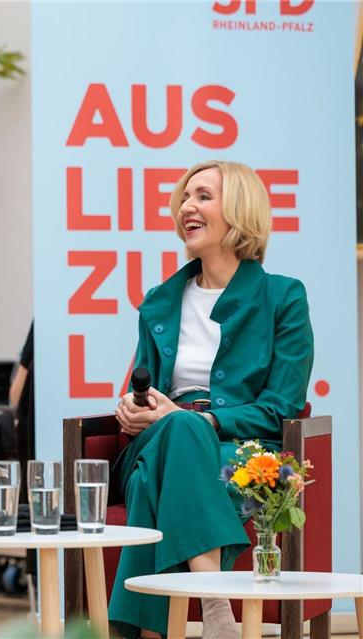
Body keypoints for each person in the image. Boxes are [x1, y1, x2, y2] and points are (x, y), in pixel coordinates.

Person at [107, 160, 314, 639]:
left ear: (238, 212)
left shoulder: (283, 297)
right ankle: (215, 606)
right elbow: (146, 387)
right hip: (159, 438)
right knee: (177, 430)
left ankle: (140, 630)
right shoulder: (162, 298)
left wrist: (197, 419)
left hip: (242, 451)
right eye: (184, 197)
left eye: (202, 196)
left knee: (149, 484)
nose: (187, 207)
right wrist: (135, 409)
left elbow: (281, 406)